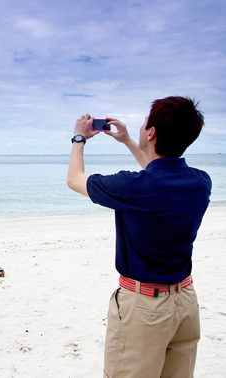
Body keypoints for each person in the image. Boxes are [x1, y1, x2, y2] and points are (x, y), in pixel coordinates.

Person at [66, 96, 212, 378]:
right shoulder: (201, 182)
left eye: (146, 122)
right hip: (185, 301)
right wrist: (128, 141)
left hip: (144, 307)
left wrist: (78, 139)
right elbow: (159, 173)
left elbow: (74, 179)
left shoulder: (132, 187)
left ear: (152, 132)